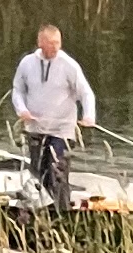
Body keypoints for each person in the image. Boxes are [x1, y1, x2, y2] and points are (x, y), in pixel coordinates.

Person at [8, 25, 95, 211]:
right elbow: (18, 90)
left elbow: (86, 93)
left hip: (61, 130)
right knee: (37, 170)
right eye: (51, 43)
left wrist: (88, 115)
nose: (55, 47)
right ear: (40, 42)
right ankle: (38, 209)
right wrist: (22, 110)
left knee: (56, 172)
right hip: (35, 128)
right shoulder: (27, 63)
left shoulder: (69, 65)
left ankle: (60, 211)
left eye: (58, 43)